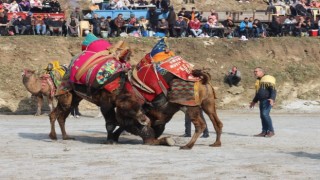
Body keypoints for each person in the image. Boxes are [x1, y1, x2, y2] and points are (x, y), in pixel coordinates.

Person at [250, 67, 276, 138]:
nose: (255, 73)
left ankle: (271, 131)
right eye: (254, 71)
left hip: (267, 100)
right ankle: (264, 131)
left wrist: (272, 99)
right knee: (262, 116)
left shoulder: (268, 79)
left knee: (265, 114)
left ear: (261, 71)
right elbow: (258, 93)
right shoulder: (259, 80)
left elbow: (273, 90)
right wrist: (254, 101)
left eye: (256, 71)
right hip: (261, 100)